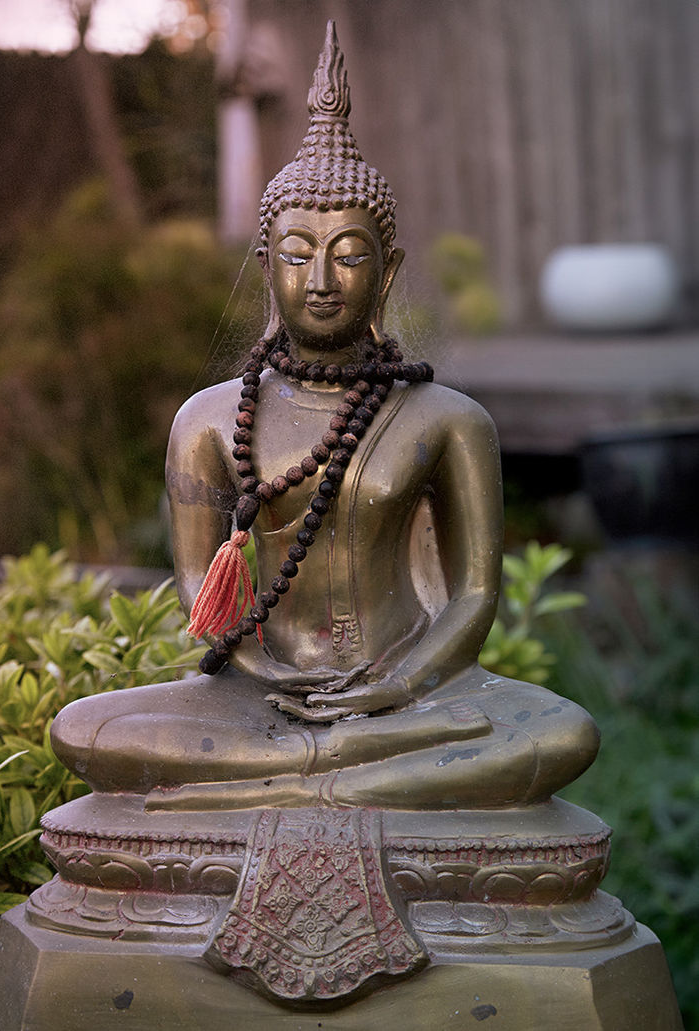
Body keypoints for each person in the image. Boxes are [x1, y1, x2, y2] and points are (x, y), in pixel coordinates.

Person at [51, 23, 598, 810]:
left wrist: (395, 684)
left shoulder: (447, 419)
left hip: (405, 700)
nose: (322, 277)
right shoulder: (209, 422)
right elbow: (201, 593)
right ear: (266, 264)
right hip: (258, 700)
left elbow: (476, 594)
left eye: (348, 252)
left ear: (388, 271)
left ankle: (305, 776)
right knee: (84, 729)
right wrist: (267, 675)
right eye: (297, 252)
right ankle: (351, 773)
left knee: (563, 732)